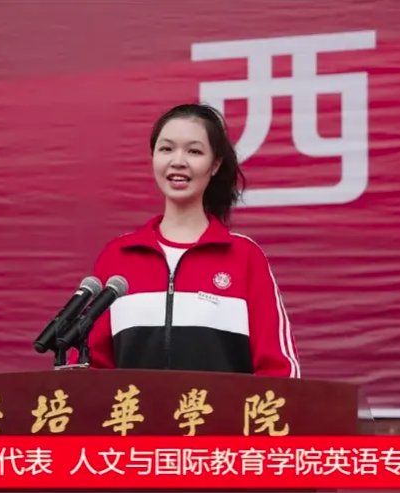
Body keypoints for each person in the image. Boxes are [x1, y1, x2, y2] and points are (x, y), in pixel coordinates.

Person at [68, 103, 300, 378]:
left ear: (215, 165)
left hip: (220, 409)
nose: (178, 161)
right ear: (153, 157)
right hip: (131, 408)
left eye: (194, 151)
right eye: (166, 149)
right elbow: (87, 367)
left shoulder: (245, 256)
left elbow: (279, 370)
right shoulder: (119, 256)